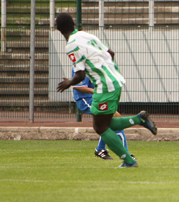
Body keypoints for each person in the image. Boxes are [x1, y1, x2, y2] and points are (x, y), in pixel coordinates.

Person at [55, 13, 157, 168]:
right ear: (73, 23)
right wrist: (107, 73)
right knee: (106, 123)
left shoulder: (71, 45)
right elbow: (111, 53)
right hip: (115, 81)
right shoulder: (86, 35)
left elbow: (80, 75)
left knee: (101, 127)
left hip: (105, 86)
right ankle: (138, 119)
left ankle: (129, 161)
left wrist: (68, 83)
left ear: (58, 29)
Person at [71, 67, 134, 161]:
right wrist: (97, 91)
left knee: (110, 120)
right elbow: (78, 87)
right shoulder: (80, 65)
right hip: (85, 99)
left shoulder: (94, 63)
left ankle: (100, 149)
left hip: (96, 98)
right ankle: (125, 153)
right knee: (114, 116)